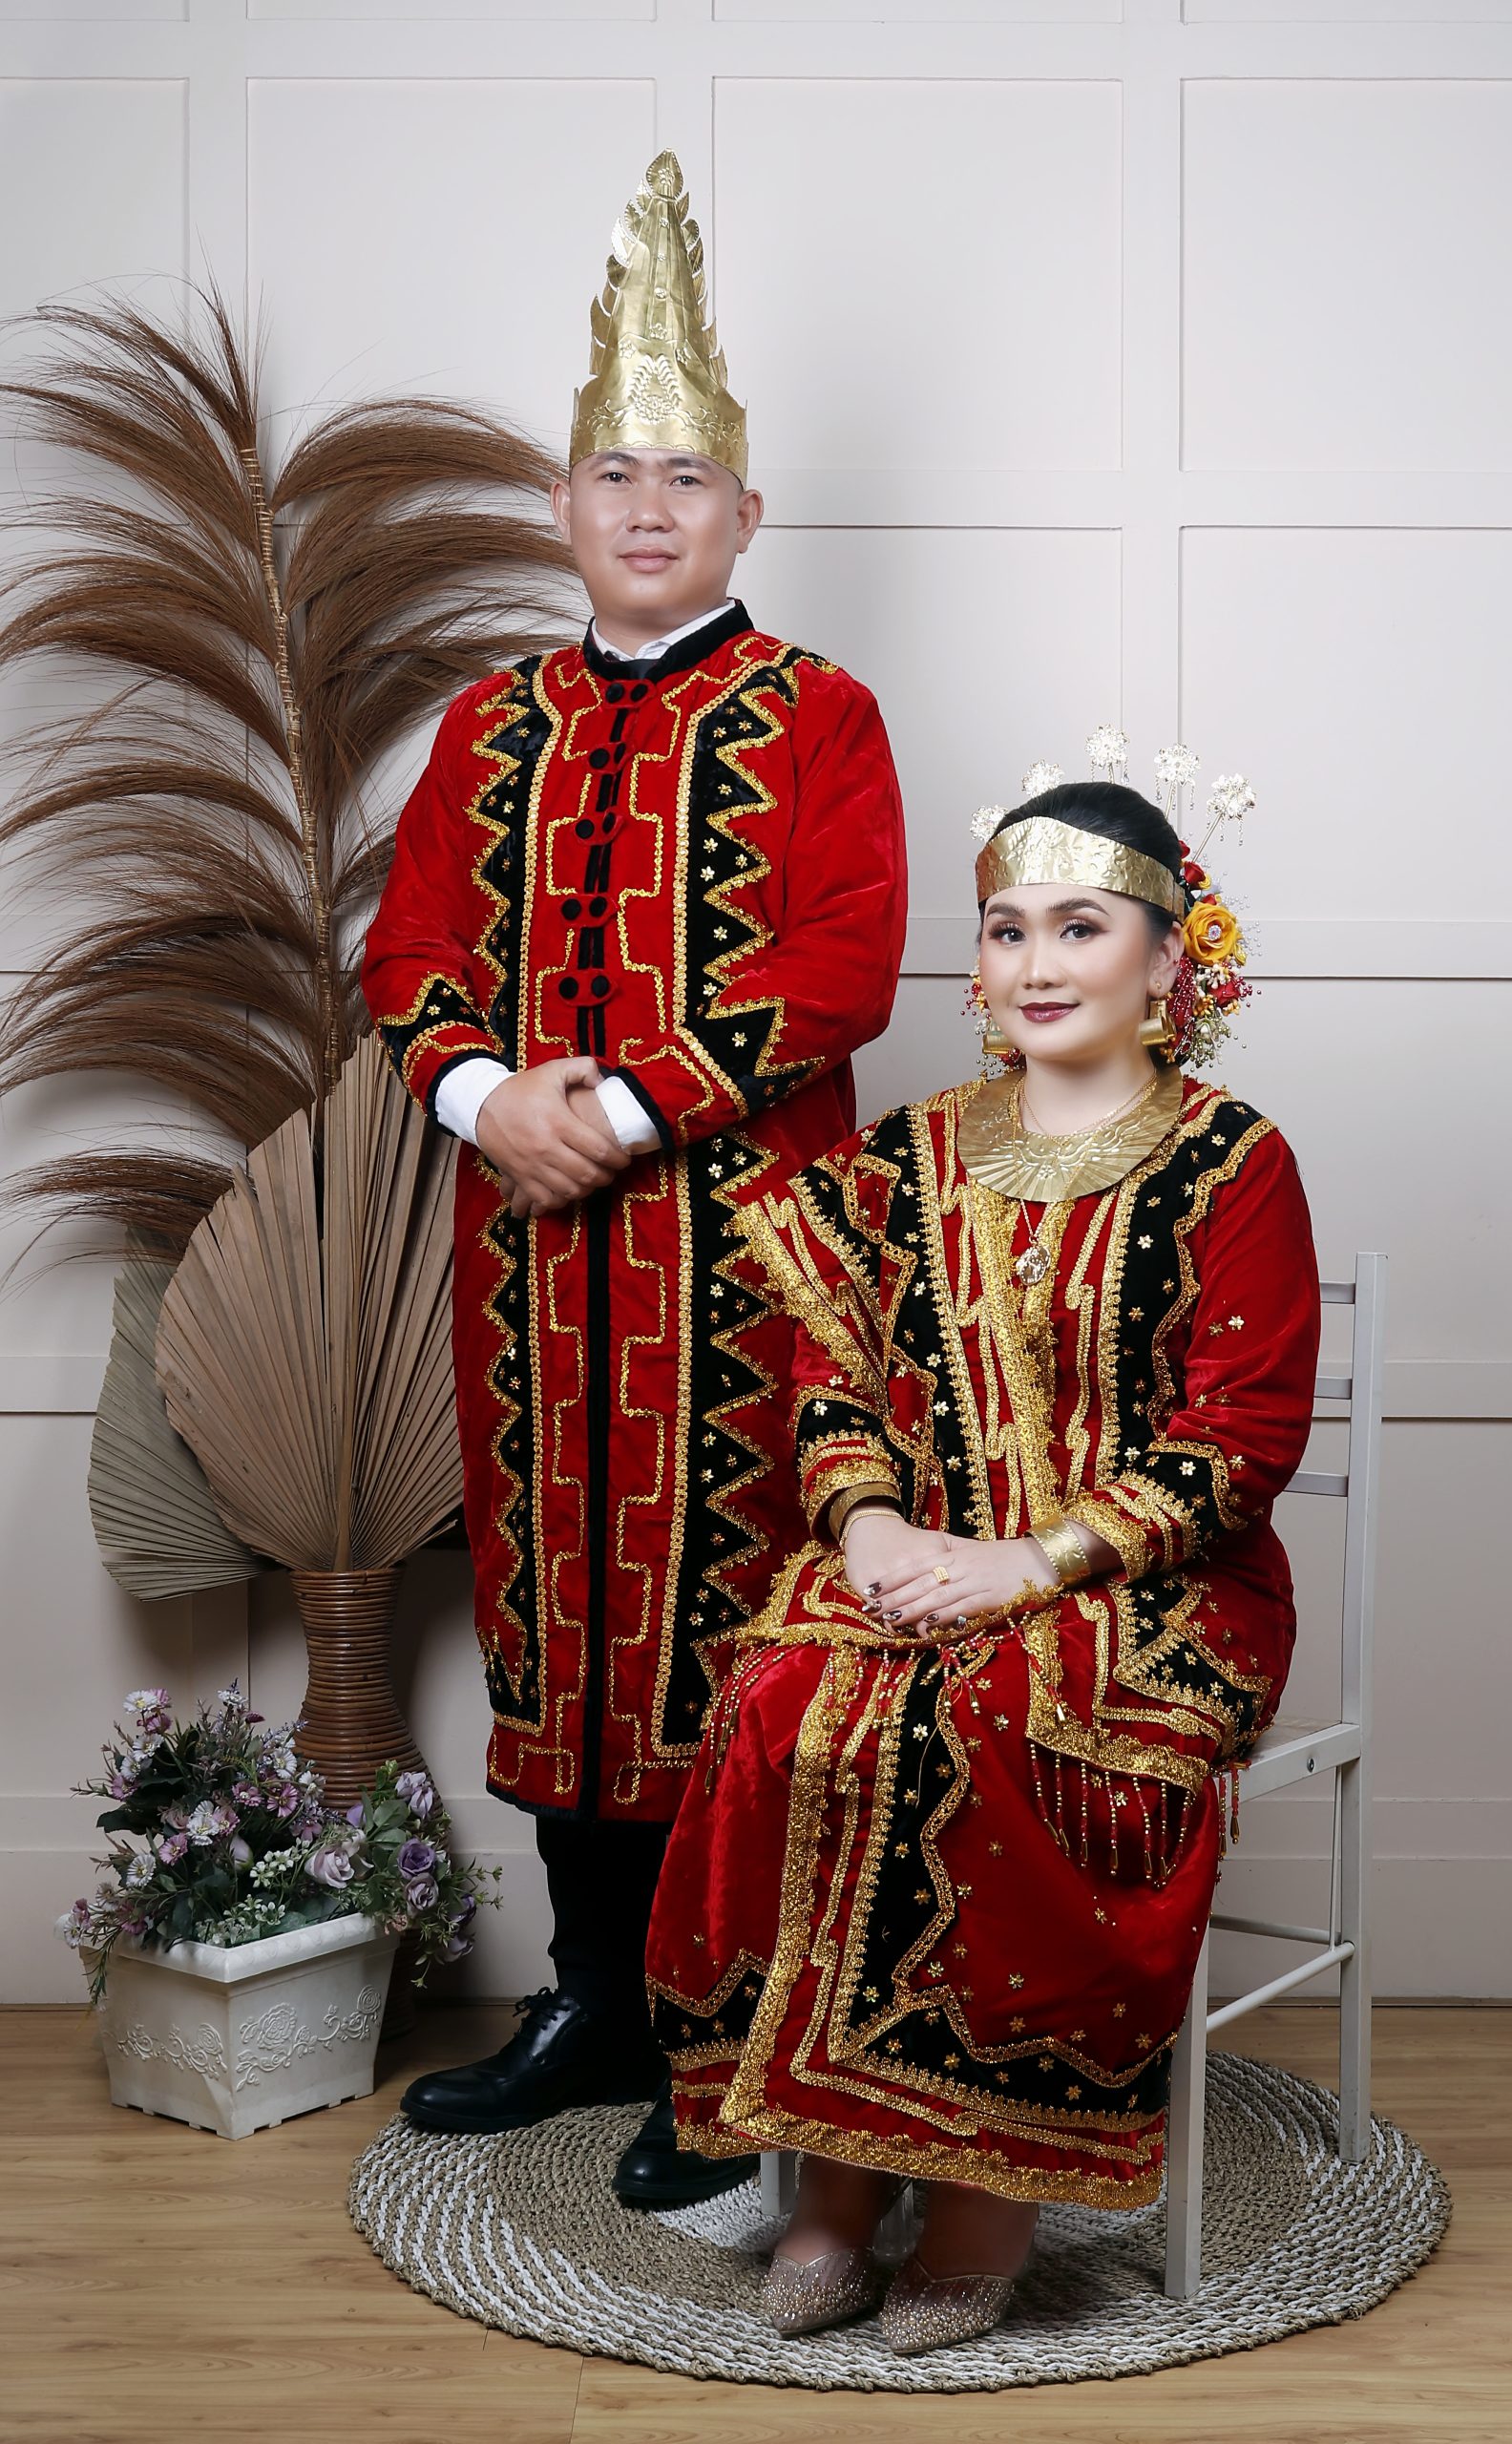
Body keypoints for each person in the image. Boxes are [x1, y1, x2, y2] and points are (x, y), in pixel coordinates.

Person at [361, 153, 907, 2206]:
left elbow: (842, 963)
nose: (651, 505)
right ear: (561, 505)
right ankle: (592, 1996)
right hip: (525, 1274)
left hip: (750, 1259)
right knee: (557, 1621)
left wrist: (633, 1108)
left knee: (731, 1623)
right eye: (616, 474)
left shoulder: (821, 713)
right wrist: (482, 1095)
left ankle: (721, 2030)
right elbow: (407, 956)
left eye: (687, 475)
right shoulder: (484, 725)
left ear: (747, 512)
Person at [644, 740, 1320, 2348]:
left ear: (1168, 961)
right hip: (924, 1551)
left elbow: (1239, 1438)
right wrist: (873, 1523)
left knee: (998, 1714)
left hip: (1154, 1582)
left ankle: (982, 2195)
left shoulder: (1234, 1162)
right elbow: (831, 1375)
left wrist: (1029, 1564)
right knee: (787, 1702)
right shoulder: (909, 1155)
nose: (1038, 963)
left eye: (1081, 928)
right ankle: (832, 2179)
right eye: (1009, 929)